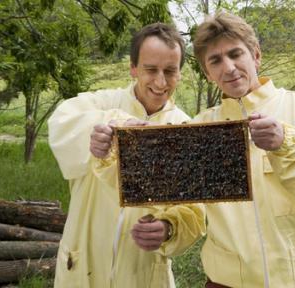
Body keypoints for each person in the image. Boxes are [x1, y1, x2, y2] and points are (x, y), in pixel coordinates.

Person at [192, 12, 295, 288]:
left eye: (235, 54)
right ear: (207, 73)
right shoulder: (200, 127)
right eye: (215, 60)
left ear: (256, 56)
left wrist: (286, 144)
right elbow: (183, 204)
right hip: (228, 282)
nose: (228, 67)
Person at [48, 23, 205, 288]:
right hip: (83, 263)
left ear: (180, 72)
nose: (160, 82)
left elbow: (195, 211)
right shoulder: (101, 104)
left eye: (170, 71)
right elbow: (61, 124)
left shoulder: (185, 129)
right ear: (133, 68)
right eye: (150, 69)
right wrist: (105, 129)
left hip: (142, 271)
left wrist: (169, 228)